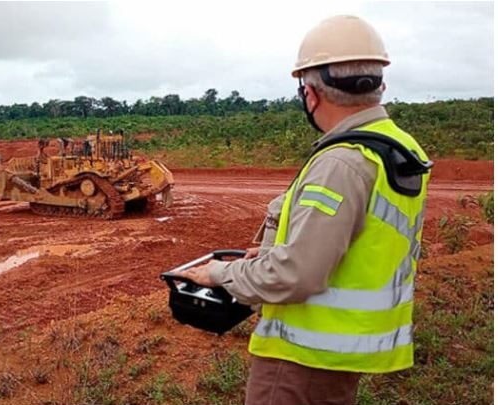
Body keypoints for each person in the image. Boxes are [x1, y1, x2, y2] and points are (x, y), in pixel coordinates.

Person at [179, 15, 431, 405]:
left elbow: (296, 275)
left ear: (310, 94)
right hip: (341, 349)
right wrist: (269, 253)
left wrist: (219, 273)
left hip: (301, 359)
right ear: (378, 83)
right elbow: (357, 241)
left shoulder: (341, 162)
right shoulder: (398, 146)